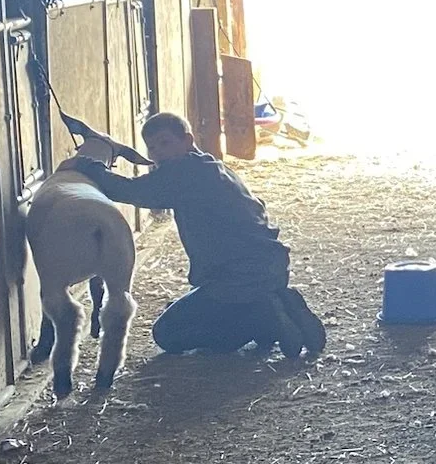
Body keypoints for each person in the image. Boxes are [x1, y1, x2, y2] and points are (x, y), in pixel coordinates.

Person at [76, 110, 327, 359]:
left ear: (187, 140)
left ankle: (265, 317)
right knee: (189, 315)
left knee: (168, 334)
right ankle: (275, 304)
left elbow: (129, 191)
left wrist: (85, 166)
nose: (158, 153)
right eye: (152, 148)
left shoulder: (184, 173)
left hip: (237, 279)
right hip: (269, 268)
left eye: (165, 143)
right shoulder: (210, 166)